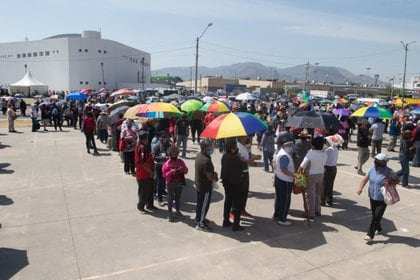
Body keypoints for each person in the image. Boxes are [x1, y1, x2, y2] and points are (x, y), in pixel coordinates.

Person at [357, 153, 399, 243]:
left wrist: (390, 182)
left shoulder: (389, 172)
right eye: (376, 160)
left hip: (383, 198)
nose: (376, 162)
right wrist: (360, 188)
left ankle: (370, 235)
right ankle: (379, 229)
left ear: (384, 162)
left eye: (378, 161)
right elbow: (365, 179)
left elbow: (397, 180)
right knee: (375, 215)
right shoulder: (371, 169)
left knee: (376, 216)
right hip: (372, 196)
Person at [221, 138, 247, 231]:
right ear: (232, 148)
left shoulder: (225, 156)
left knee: (228, 201)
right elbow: (242, 166)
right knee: (237, 204)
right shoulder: (235, 157)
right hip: (235, 183)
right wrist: (240, 158)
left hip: (226, 182)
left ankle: (226, 220)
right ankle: (236, 225)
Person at [298, 136, 327, 219]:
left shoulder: (310, 153)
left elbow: (302, 166)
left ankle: (311, 213)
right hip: (321, 174)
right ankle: (318, 210)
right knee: (318, 193)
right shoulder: (324, 154)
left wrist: (298, 174)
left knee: (311, 195)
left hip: (311, 175)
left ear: (313, 145)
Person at [194, 139, 218, 231]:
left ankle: (199, 218)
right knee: (204, 205)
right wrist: (215, 176)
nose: (212, 148)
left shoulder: (199, 155)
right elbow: (210, 177)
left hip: (199, 184)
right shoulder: (206, 160)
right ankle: (200, 224)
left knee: (200, 204)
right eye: (210, 146)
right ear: (205, 148)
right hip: (205, 187)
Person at [273, 132, 295, 225]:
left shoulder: (279, 152)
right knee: (285, 200)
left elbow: (274, 163)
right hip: (285, 180)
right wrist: (294, 175)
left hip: (279, 178)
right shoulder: (284, 155)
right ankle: (282, 219)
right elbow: (283, 169)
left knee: (279, 198)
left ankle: (277, 215)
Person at [237, 135, 262, 217]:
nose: (246, 138)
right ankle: (236, 211)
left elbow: (246, 160)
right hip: (241, 173)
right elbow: (242, 161)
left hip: (246, 171)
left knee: (244, 193)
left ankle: (242, 209)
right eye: (244, 137)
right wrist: (254, 158)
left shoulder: (244, 146)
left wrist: (252, 162)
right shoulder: (238, 147)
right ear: (240, 138)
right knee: (240, 193)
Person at [162, 145, 188, 222]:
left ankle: (177, 211)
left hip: (179, 183)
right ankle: (170, 213)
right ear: (169, 154)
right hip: (170, 183)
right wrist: (171, 172)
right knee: (170, 198)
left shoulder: (180, 162)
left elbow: (186, 171)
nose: (174, 155)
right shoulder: (166, 164)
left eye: (175, 153)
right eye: (172, 153)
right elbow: (164, 175)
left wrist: (182, 170)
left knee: (177, 198)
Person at [135, 131, 157, 214]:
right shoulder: (142, 148)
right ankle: (141, 206)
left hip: (147, 173)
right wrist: (151, 172)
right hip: (144, 174)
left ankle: (150, 205)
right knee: (144, 191)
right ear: (145, 139)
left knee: (151, 190)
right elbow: (143, 162)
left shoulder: (144, 146)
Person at [152, 130, 172, 206]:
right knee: (160, 182)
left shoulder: (169, 145)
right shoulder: (156, 146)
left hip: (167, 166)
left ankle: (163, 191)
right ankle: (160, 199)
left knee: (165, 181)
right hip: (159, 166)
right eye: (163, 137)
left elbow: (172, 153)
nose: (165, 139)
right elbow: (154, 157)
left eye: (166, 137)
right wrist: (164, 157)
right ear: (160, 138)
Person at [321, 134, 341, 206]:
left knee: (324, 185)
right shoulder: (336, 149)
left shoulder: (328, 149)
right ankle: (330, 200)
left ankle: (322, 201)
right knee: (330, 185)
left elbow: (323, 156)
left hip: (327, 168)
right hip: (333, 168)